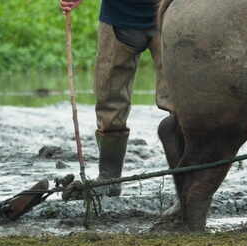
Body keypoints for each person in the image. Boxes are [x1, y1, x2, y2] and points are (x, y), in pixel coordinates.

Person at [60, 0, 174, 196]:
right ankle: (109, 179)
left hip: (171, 16)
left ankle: (190, 183)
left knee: (180, 101)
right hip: (117, 19)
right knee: (109, 99)